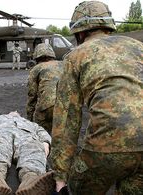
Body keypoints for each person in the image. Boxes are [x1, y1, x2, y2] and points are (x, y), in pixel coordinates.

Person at [50, 1, 143, 194]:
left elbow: (67, 120)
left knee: (78, 188)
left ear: (80, 32)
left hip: (107, 144)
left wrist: (60, 174)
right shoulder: (138, 48)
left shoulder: (76, 56)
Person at [0, 111, 55, 195]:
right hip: (0, 134)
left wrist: (46, 142)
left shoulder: (31, 123)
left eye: (17, 112)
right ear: (8, 113)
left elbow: (42, 131)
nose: (15, 112)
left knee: (34, 149)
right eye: (13, 111)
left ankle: (31, 180)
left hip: (27, 137)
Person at [26, 43, 63, 134]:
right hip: (65, 105)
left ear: (37, 56)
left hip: (47, 106)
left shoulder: (36, 69)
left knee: (41, 133)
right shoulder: (63, 65)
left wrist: (29, 119)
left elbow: (32, 95)